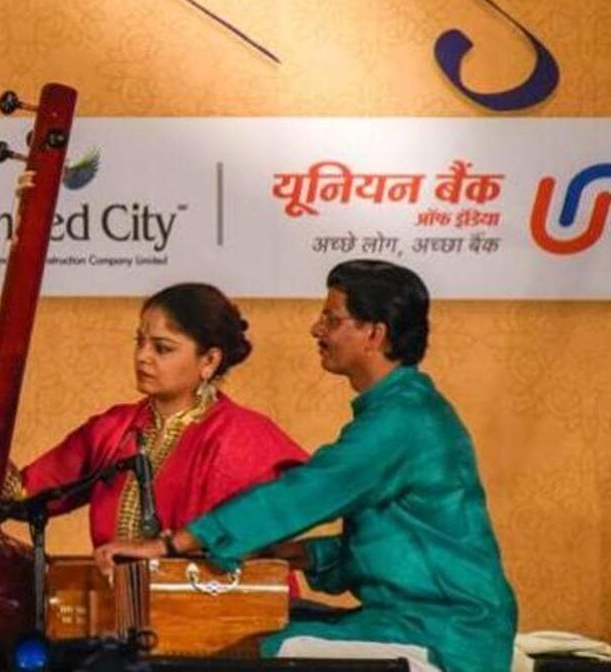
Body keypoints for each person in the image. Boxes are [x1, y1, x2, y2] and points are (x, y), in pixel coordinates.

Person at [97, 261, 517, 672]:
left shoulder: (402, 420)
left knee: (256, 646)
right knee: (262, 622)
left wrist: (169, 545)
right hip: (413, 620)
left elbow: (303, 493)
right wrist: (293, 554)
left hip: (445, 636)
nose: (317, 329)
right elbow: (401, 547)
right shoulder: (401, 410)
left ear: (374, 334)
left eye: (331, 319)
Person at [0, 282, 308, 547]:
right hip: (115, 610)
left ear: (209, 360)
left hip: (215, 615)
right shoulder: (113, 429)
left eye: (162, 348)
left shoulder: (244, 437)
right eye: (140, 342)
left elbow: (278, 526)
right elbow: (18, 496)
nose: (142, 356)